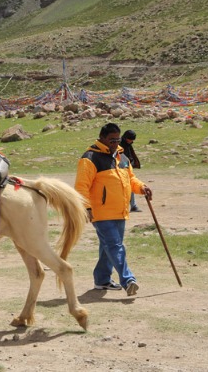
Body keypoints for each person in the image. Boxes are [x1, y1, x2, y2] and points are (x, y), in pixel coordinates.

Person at [75, 122, 152, 296]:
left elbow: (131, 179)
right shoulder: (90, 158)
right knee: (115, 246)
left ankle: (102, 280)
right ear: (102, 138)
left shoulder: (122, 157)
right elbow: (81, 186)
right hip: (101, 212)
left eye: (117, 140)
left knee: (108, 247)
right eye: (111, 140)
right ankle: (128, 280)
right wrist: (86, 207)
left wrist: (142, 187)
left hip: (121, 211)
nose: (115, 143)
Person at [120, 130, 142, 212]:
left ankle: (133, 206)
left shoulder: (128, 145)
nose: (131, 141)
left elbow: (130, 156)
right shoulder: (119, 144)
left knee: (130, 186)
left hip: (127, 168)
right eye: (130, 139)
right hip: (120, 169)